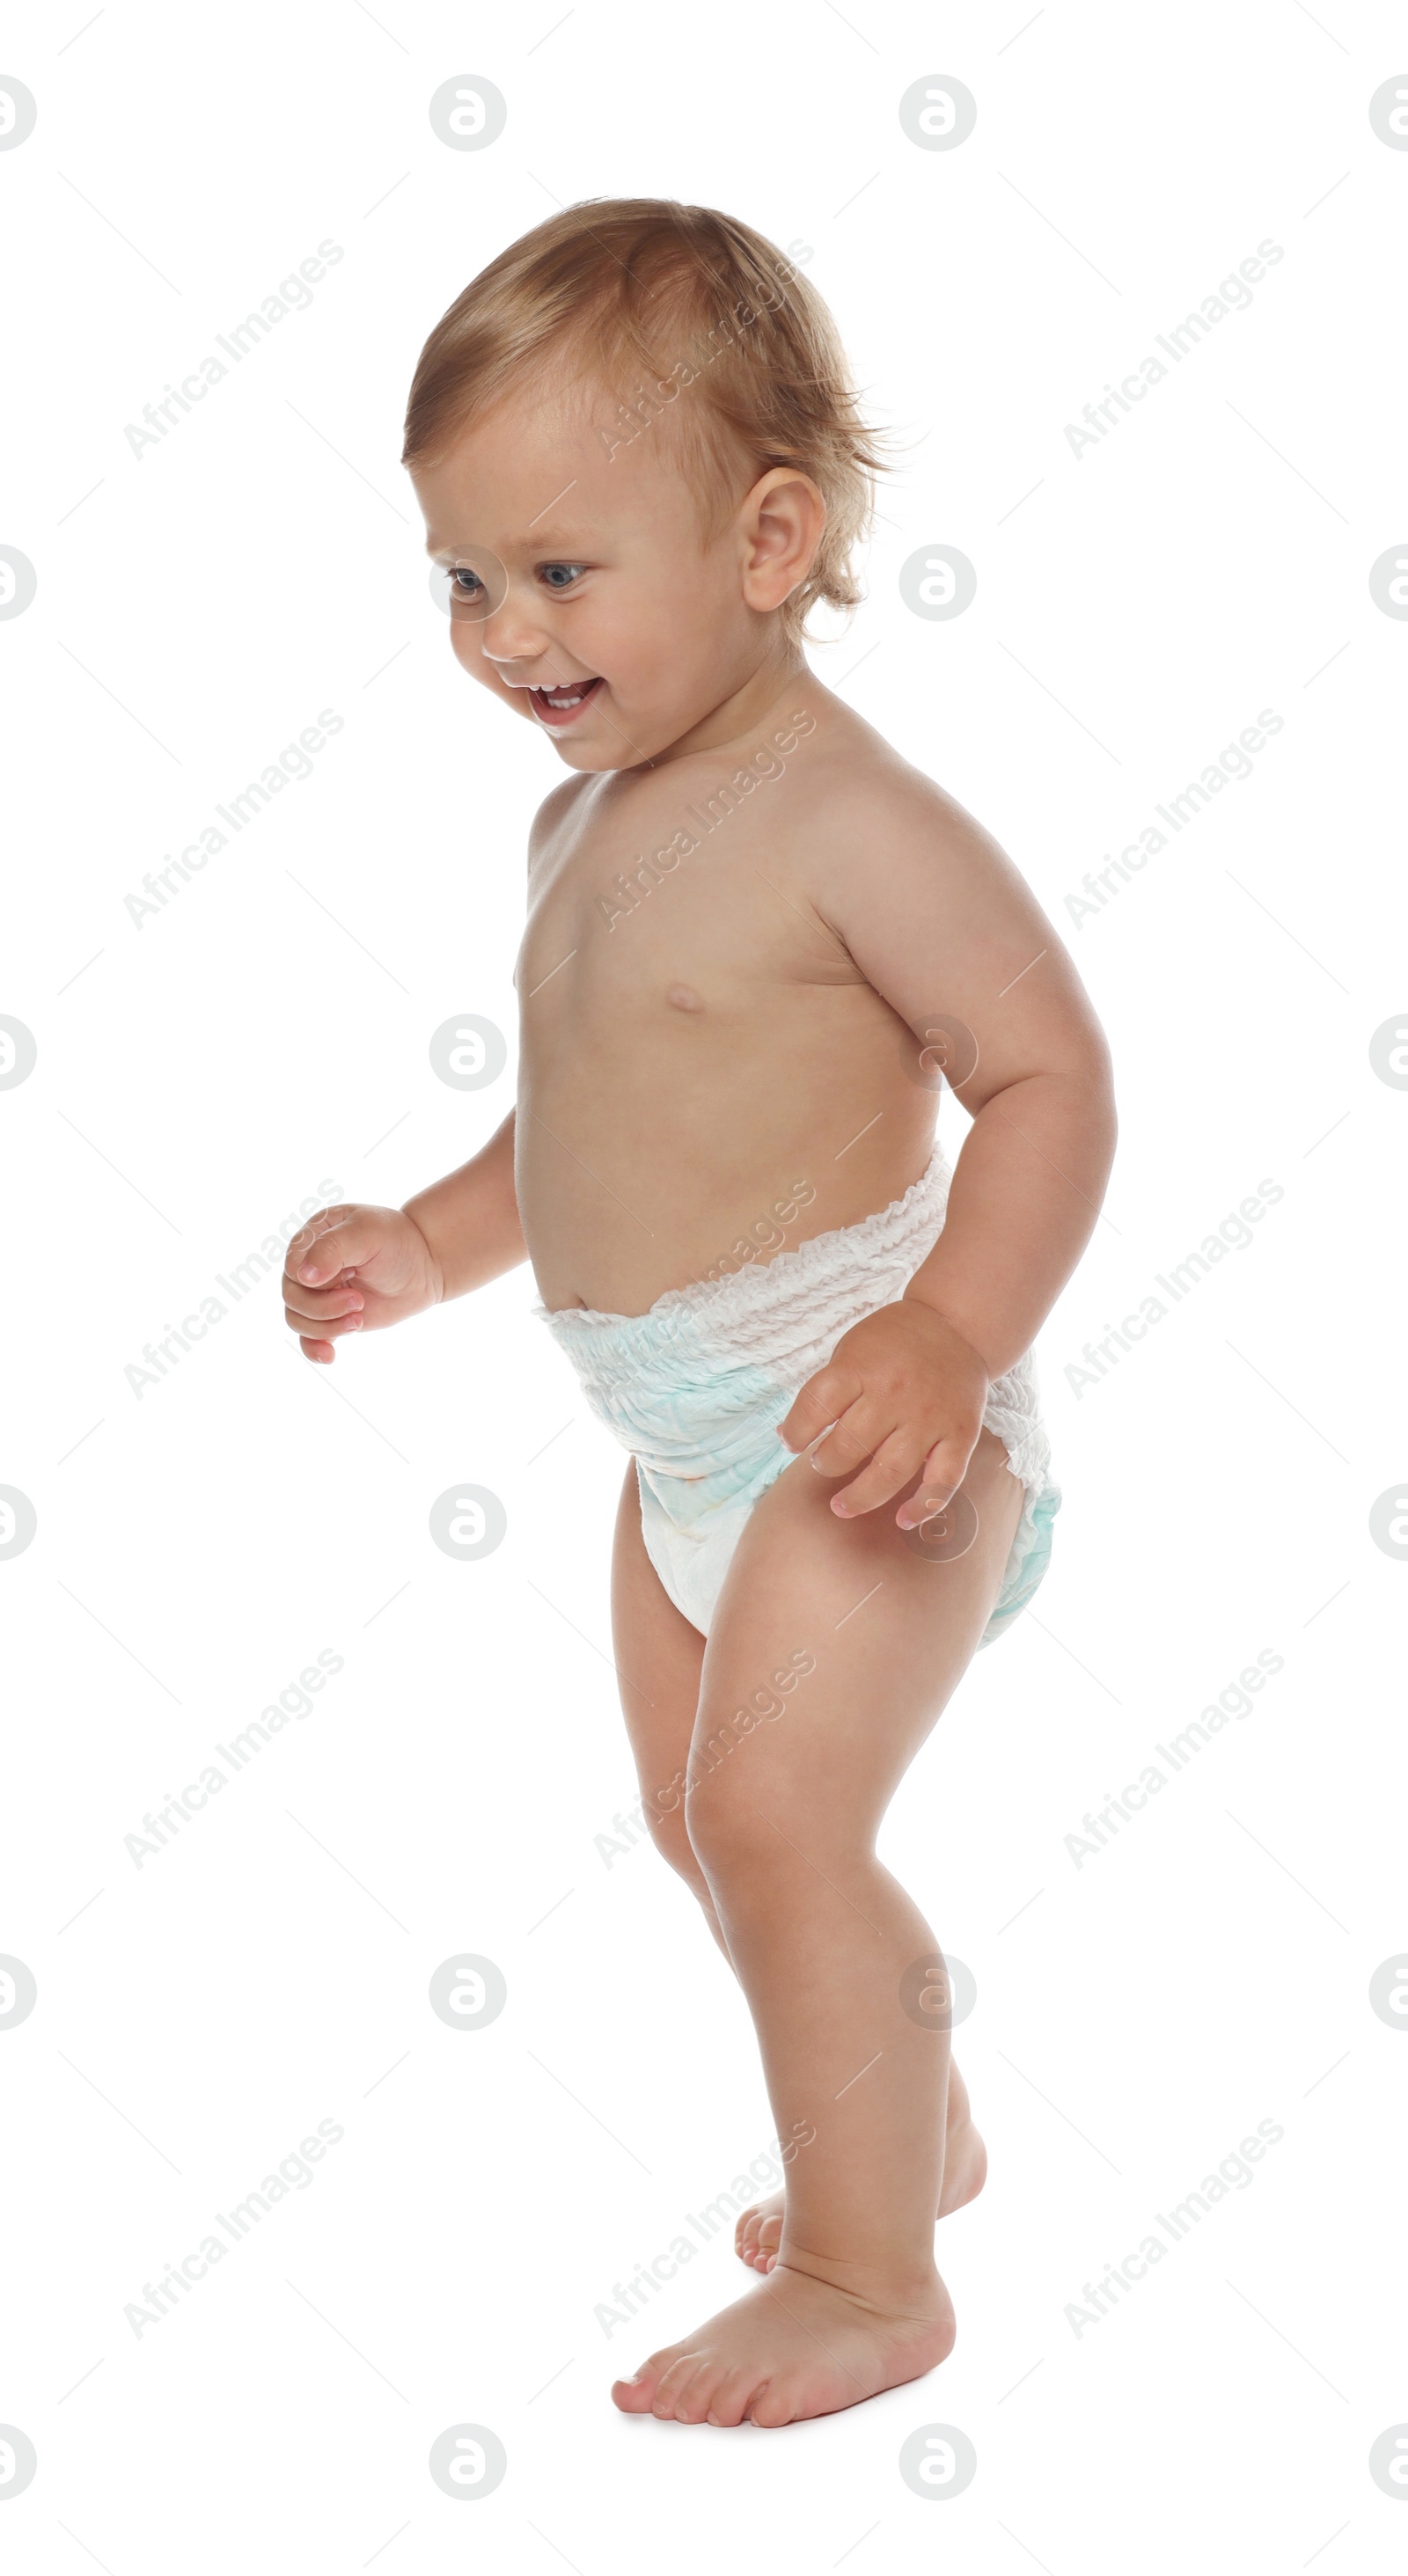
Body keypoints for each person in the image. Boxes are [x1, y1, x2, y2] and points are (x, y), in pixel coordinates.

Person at [281, 199, 1116, 2429]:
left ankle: (867, 2277)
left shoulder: (850, 818)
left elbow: (1048, 1078)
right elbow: (569, 1129)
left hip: (861, 1421)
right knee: (703, 1827)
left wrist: (946, 1337)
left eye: (560, 573)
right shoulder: (580, 829)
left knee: (768, 1823)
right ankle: (907, 2116)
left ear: (768, 541)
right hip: (670, 1449)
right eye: (462, 576)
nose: (499, 633)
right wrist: (431, 1244)